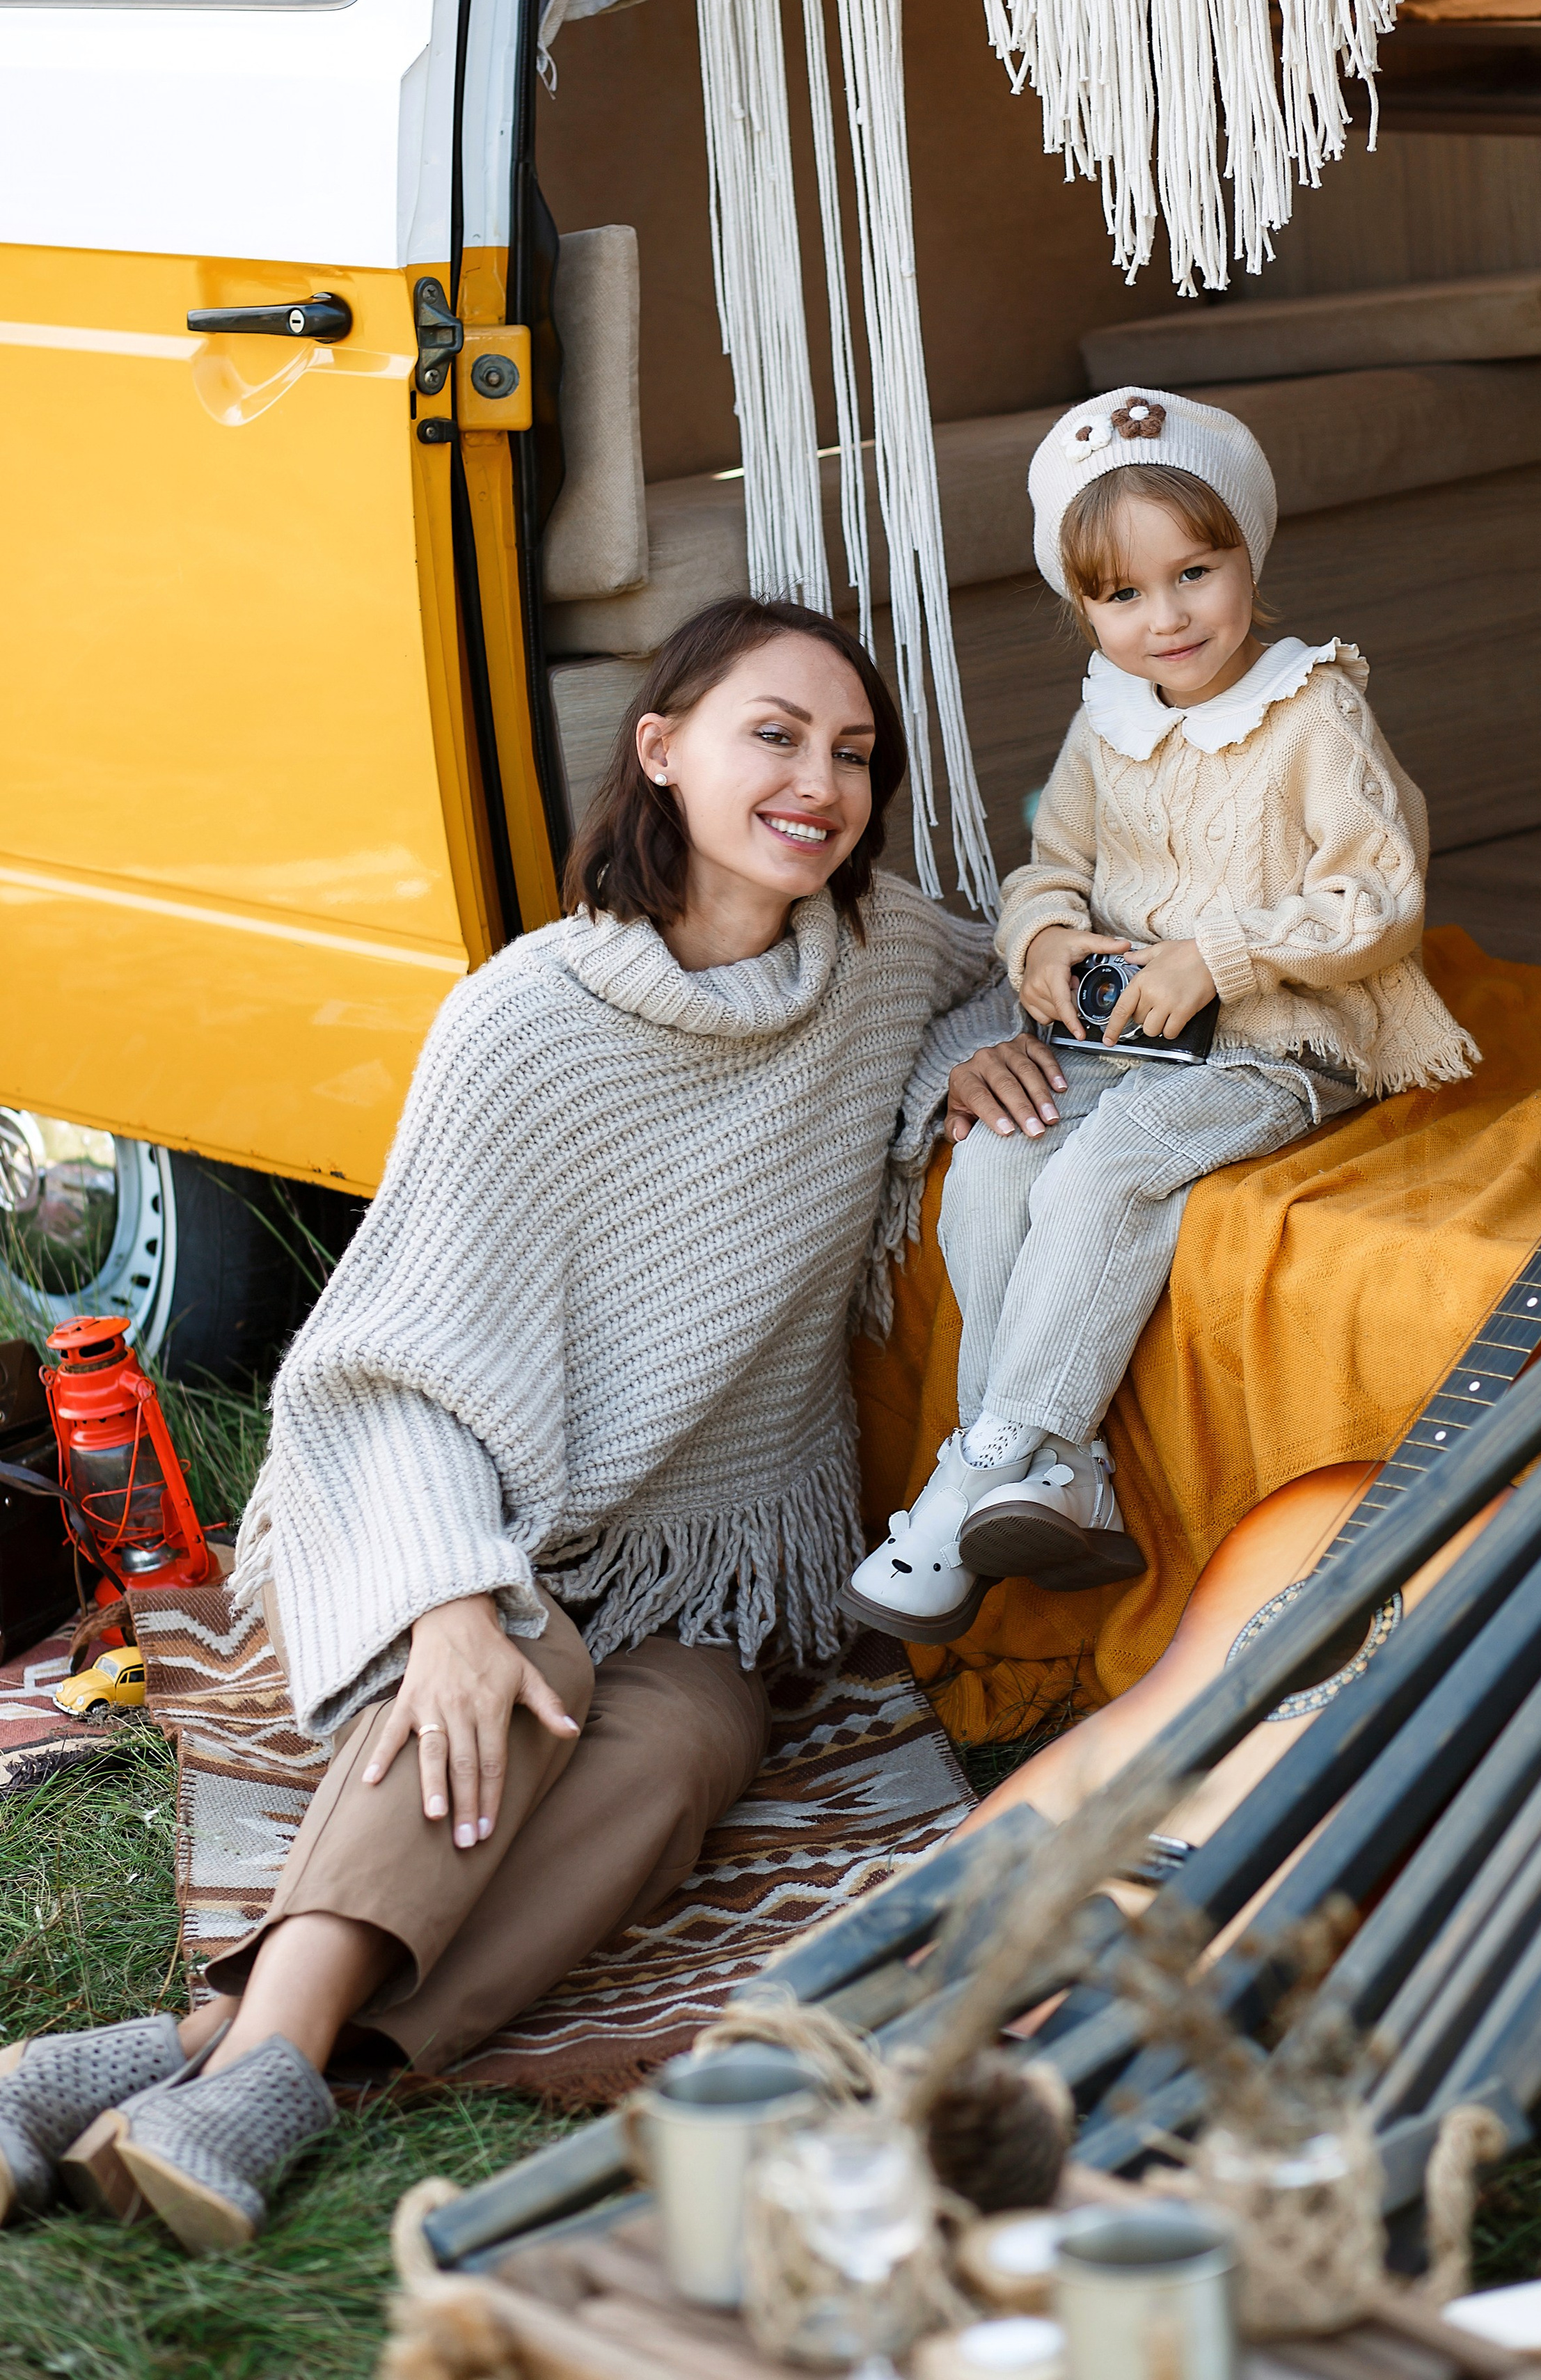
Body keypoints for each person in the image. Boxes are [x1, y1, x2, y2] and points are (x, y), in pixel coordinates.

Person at [0, 597, 1052, 2255]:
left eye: (852, 753)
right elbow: (390, 1369)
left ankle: (209, 2062)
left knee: (693, 1746)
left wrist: (974, 1059)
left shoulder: (879, 961)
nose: (819, 782)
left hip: (694, 1570)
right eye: (770, 735)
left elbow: (1008, 968)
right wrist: (443, 1599)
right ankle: (275, 2073)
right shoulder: (528, 1023)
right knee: (516, 1665)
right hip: (434, 1500)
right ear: (662, 751)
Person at [847, 387, 1478, 1644]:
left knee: (1108, 1173)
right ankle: (1046, 1472)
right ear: (1083, 607)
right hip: (1124, 1032)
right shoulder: (1106, 721)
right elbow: (1048, 864)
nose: (1167, 617)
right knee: (996, 1164)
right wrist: (1041, 940)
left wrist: (1225, 955)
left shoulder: (1315, 712)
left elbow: (1382, 897)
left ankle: (993, 1461)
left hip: (1286, 1036)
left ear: (1250, 553)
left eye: (1196, 571)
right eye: (1123, 595)